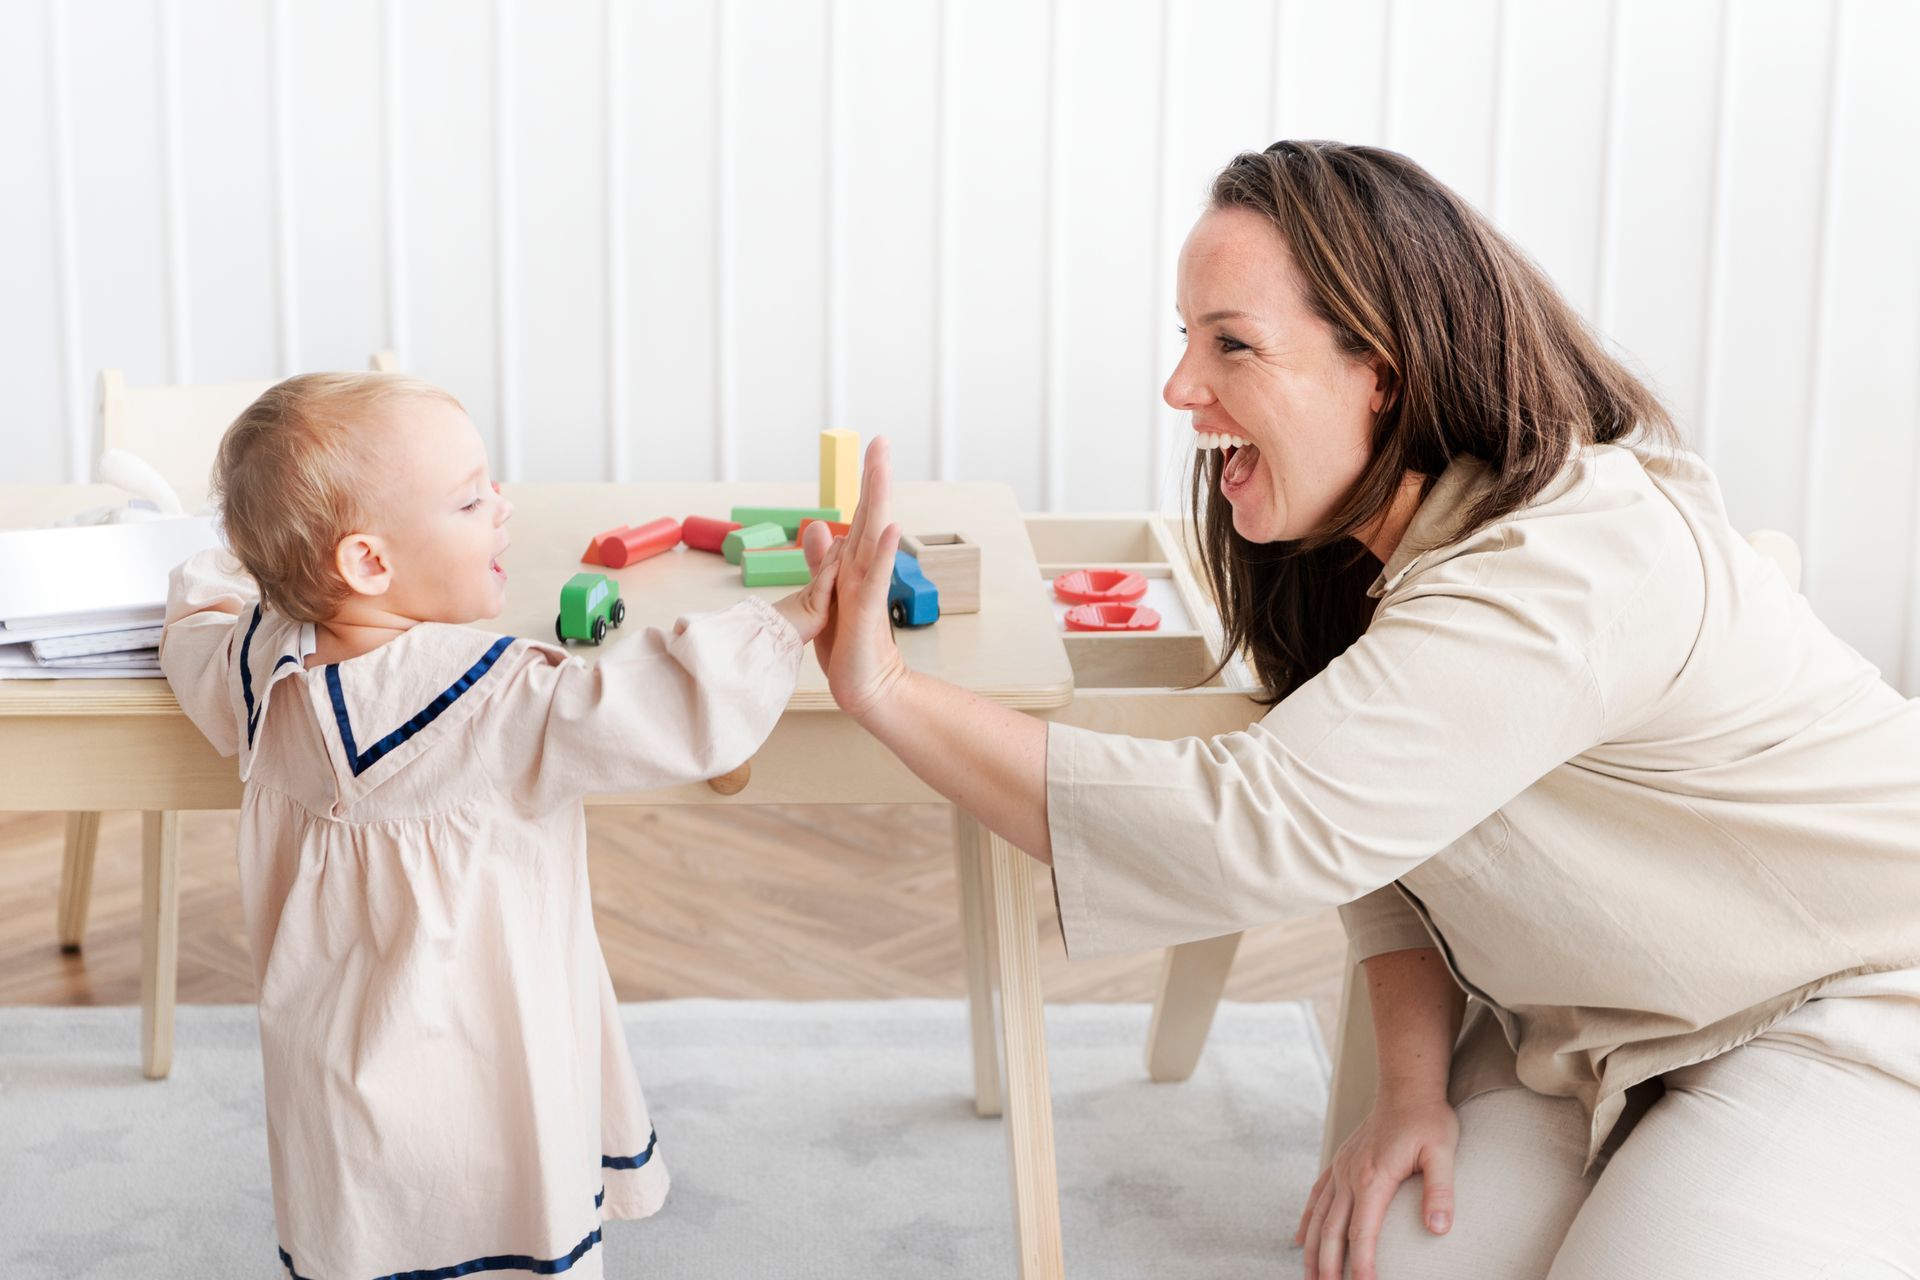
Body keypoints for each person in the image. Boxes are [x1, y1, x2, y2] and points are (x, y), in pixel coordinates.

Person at [797, 142, 1920, 1278]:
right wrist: (1411, 1090)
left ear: (1379, 368)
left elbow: (1256, 828)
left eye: (1230, 342)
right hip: (1590, 1023)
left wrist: (886, 689)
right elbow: (1379, 851)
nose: (1182, 387)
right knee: (1392, 1258)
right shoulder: (1358, 559)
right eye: (1183, 337)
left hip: (1847, 997)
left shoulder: (1570, 563)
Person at [159, 372, 842, 1278]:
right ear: (368, 563)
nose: (503, 510)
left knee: (365, 1242)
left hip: (336, 1085)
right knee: (508, 1238)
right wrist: (794, 618)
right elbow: (659, 708)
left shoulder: (249, 666)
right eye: (472, 498)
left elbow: (193, 617)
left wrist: (245, 561)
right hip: (490, 1076)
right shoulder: (496, 697)